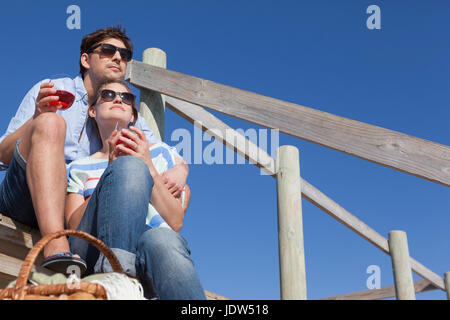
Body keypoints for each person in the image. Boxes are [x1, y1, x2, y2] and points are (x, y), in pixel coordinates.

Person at [0, 26, 188, 274]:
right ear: (85, 59)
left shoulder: (126, 111)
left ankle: (125, 266)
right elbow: (3, 155)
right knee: (51, 122)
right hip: (25, 198)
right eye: (108, 50)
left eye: (125, 54)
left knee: (137, 172)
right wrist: (35, 119)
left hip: (79, 212)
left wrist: (181, 170)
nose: (118, 58)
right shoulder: (53, 88)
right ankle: (55, 242)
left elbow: (159, 153)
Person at [65, 79, 205, 299]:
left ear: (132, 115)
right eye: (108, 95)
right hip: (93, 251)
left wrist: (148, 166)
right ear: (92, 110)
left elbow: (175, 221)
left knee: (163, 240)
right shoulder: (78, 166)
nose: (118, 99)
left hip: (149, 253)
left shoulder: (159, 153)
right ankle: (117, 278)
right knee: (128, 166)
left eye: (126, 97)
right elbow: (74, 226)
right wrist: (111, 173)